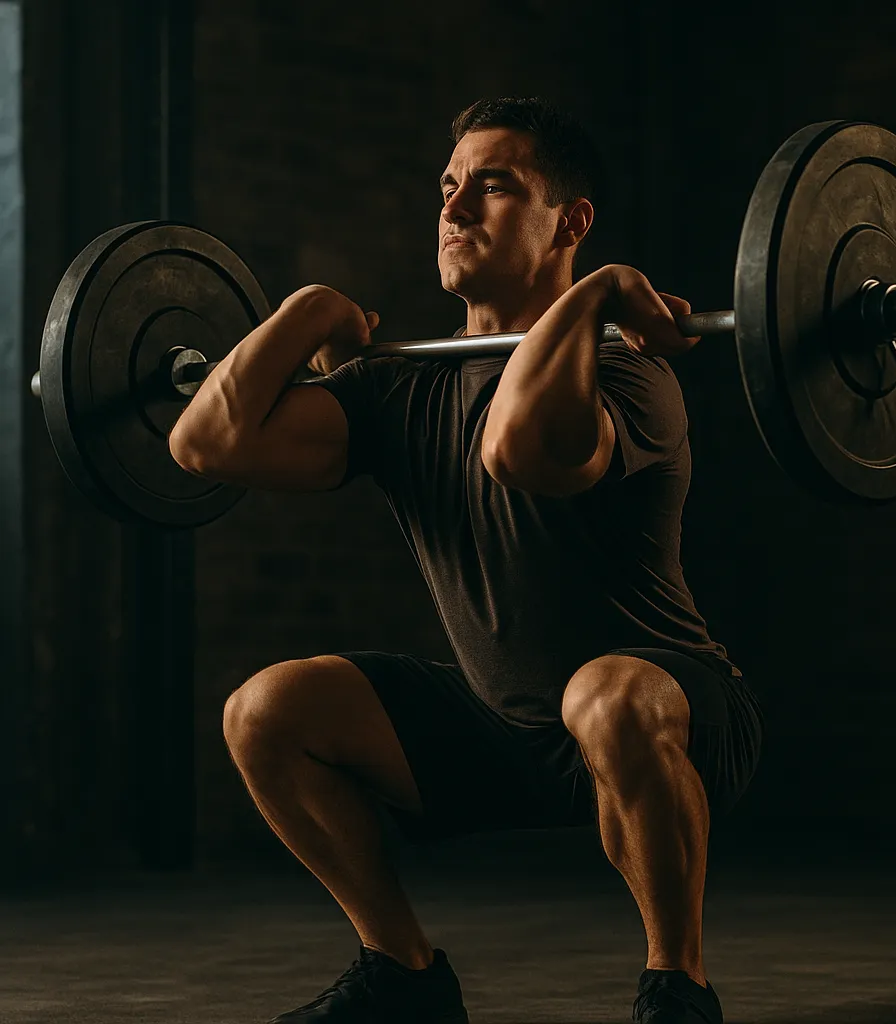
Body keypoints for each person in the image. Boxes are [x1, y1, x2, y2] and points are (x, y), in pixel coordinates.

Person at [169, 96, 763, 1024]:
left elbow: (520, 451)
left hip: (670, 709)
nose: (453, 210)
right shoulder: (400, 388)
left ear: (569, 221)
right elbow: (207, 444)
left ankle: (676, 987)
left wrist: (599, 296)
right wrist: (308, 308)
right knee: (267, 711)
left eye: (492, 188)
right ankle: (403, 972)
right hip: (502, 724)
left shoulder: (629, 373)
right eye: (448, 188)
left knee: (603, 695)